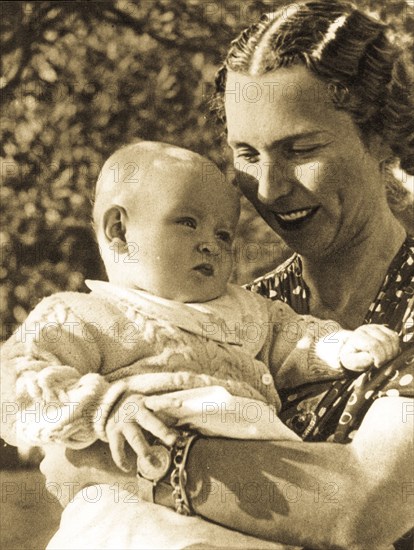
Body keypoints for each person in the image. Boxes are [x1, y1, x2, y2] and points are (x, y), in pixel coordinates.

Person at [8, 1, 414, 549]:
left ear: (382, 138)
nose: (268, 189)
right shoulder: (239, 305)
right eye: (247, 153)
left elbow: (363, 508)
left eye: (301, 150)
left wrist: (131, 465)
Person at [2, 140, 399, 477]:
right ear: (119, 230)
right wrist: (103, 409)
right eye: (188, 223)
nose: (210, 243)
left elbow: (288, 336)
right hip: (143, 505)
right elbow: (14, 383)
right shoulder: (83, 316)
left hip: (265, 492)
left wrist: (341, 346)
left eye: (223, 234)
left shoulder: (243, 308)